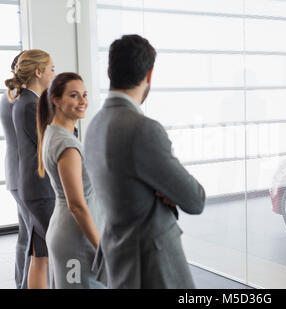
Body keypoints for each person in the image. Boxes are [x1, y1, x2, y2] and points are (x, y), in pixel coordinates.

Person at [84, 34, 206, 289]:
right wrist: (166, 189)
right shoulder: (143, 129)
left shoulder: (94, 126)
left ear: (109, 72)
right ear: (149, 75)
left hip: (118, 260)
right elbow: (195, 199)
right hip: (151, 268)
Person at [36, 72, 105, 289]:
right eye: (74, 96)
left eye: (84, 95)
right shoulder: (66, 144)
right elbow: (76, 205)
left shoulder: (55, 133)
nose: (83, 101)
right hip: (75, 239)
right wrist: (102, 250)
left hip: (70, 234)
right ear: (55, 100)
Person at [7, 49, 55, 289]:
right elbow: (51, 142)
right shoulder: (29, 104)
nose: (54, 74)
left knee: (39, 251)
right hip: (37, 185)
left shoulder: (27, 101)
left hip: (31, 183)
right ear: (38, 72)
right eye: (51, 69)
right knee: (45, 251)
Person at [0, 51, 30, 289]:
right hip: (24, 175)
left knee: (25, 235)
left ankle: (22, 282)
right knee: (33, 237)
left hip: (14, 172)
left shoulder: (8, 97)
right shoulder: (23, 100)